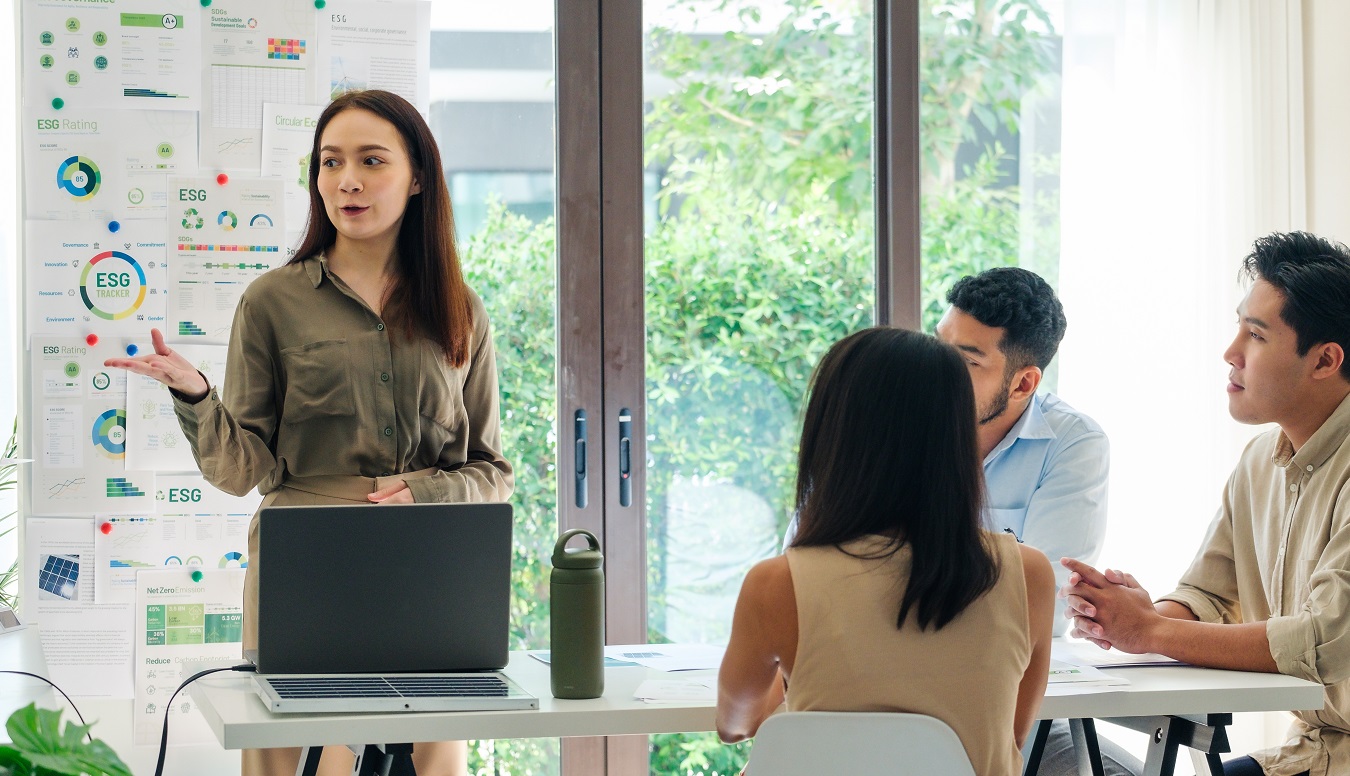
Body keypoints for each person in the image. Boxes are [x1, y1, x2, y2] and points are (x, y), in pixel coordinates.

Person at [106, 89, 513, 776]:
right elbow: (243, 470)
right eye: (330, 162)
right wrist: (198, 396)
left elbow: (492, 471)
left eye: (370, 160)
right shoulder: (272, 302)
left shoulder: (459, 308)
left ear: (417, 178)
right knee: (290, 761)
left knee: (430, 761)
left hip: (430, 570)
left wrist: (420, 492)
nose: (346, 179)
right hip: (305, 574)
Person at [1061, 231, 1350, 776]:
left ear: (1324, 360)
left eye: (1256, 335)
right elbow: (1209, 595)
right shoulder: (1259, 459)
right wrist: (1133, 616)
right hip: (1312, 753)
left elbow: (1327, 640)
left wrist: (1148, 632)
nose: (1230, 352)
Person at [717, 327, 1055, 776]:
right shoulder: (1027, 573)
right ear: (956, 435)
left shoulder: (778, 583)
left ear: (831, 436)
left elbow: (734, 726)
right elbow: (1010, 735)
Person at [936, 267, 1137, 774]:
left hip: (1007, 694)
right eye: (937, 346)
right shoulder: (888, 425)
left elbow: (1037, 606)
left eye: (966, 360)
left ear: (1023, 382)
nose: (938, 371)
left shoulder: (1072, 443)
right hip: (880, 687)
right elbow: (805, 565)